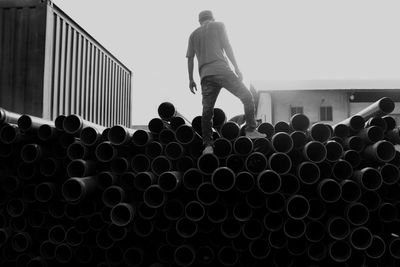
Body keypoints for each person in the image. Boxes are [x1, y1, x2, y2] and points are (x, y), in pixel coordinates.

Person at [186, 10, 266, 154]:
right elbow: (227, 46)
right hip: (222, 70)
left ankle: (208, 145)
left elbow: (190, 59)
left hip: (205, 76)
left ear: (199, 21)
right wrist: (237, 67)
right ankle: (251, 130)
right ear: (212, 18)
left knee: (207, 111)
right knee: (247, 97)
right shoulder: (218, 25)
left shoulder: (193, 35)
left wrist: (191, 79)